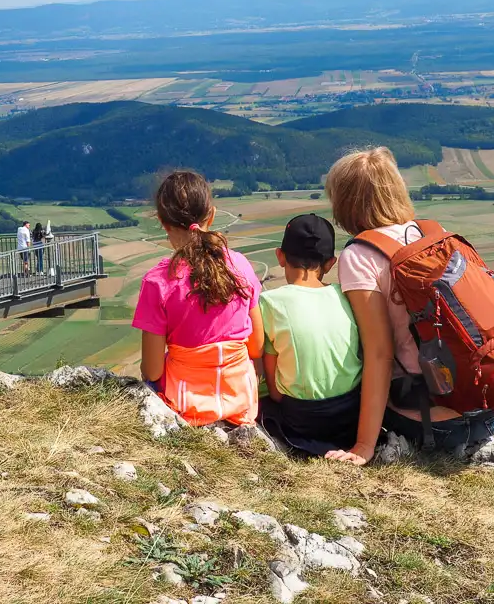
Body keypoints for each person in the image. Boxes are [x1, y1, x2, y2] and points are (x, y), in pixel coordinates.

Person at [325, 147, 494, 466]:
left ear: (345, 202)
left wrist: (363, 447)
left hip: (438, 427)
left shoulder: (359, 257)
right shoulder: (434, 234)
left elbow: (379, 354)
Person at [132, 170, 264, 426]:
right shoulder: (241, 266)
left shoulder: (157, 281)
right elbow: (257, 345)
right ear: (211, 215)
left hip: (184, 405)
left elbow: (152, 370)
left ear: (162, 221)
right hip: (241, 403)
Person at [258, 214, 362, 455]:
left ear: (280, 256)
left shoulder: (269, 303)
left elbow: (274, 391)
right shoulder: (346, 295)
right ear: (330, 263)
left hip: (302, 422)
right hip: (351, 416)